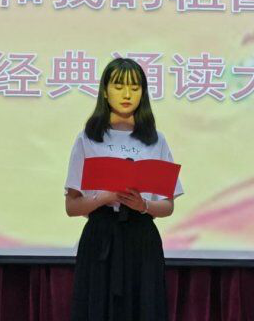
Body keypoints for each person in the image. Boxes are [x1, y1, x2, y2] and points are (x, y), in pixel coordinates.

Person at [65, 57, 183, 321]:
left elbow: (168, 205)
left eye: (135, 87)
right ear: (105, 92)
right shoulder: (88, 138)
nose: (127, 94)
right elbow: (71, 206)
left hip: (141, 239)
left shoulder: (156, 139)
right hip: (101, 238)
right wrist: (105, 197)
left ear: (143, 92)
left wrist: (144, 205)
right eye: (118, 87)